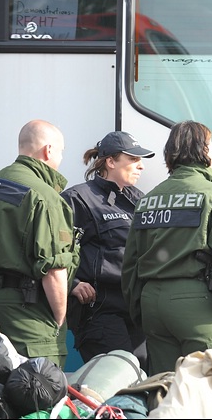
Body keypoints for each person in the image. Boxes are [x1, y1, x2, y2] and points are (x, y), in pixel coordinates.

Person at [121, 121, 212, 375]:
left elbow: (131, 265)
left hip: (154, 307)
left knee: (166, 392)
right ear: (206, 151)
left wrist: (141, 310)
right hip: (200, 308)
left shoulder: (148, 201)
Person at [0, 120, 80, 367]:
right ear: (48, 150)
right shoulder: (45, 196)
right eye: (61, 151)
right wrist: (59, 320)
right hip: (23, 311)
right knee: (36, 389)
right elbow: (54, 269)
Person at [61, 131, 155, 371]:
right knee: (118, 383)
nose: (140, 166)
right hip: (100, 312)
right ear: (110, 162)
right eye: (133, 159)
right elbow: (54, 250)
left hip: (135, 312)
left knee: (143, 381)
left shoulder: (139, 200)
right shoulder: (78, 198)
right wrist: (72, 283)